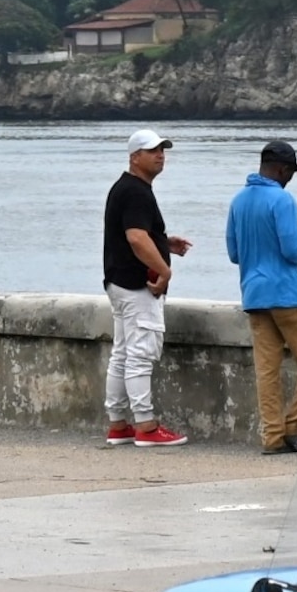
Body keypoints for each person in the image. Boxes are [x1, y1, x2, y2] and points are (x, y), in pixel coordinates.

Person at [226, 139, 297, 454]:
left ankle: (273, 437)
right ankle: (294, 427)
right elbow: (292, 250)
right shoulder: (282, 200)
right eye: (289, 172)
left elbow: (235, 254)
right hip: (288, 295)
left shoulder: (238, 201)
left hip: (254, 296)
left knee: (267, 370)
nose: (290, 178)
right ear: (279, 169)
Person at [101, 128, 192, 447]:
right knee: (140, 355)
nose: (160, 155)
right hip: (139, 286)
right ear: (134, 157)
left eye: (163, 150)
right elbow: (136, 238)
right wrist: (165, 271)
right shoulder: (137, 191)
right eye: (152, 150)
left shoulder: (123, 188)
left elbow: (134, 232)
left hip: (118, 282)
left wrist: (164, 242)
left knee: (123, 354)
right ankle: (146, 426)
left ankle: (118, 424)